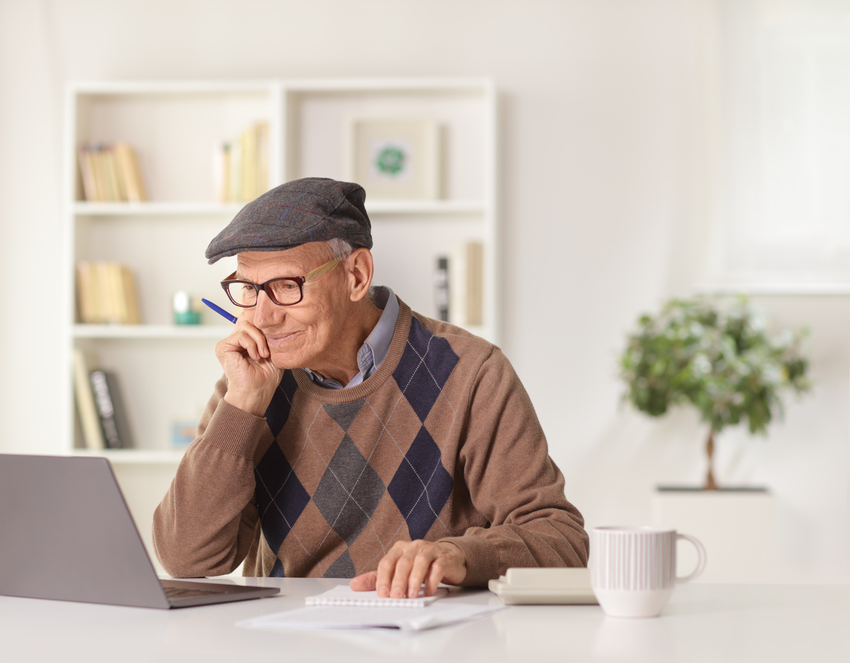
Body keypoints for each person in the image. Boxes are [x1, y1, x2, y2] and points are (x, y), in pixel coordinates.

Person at [152, 177, 588, 598]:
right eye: (248, 288)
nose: (263, 317)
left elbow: (561, 539)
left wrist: (458, 555)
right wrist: (243, 406)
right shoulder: (250, 384)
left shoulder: (470, 371)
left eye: (287, 286)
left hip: (430, 641)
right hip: (287, 640)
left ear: (357, 275)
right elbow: (189, 562)